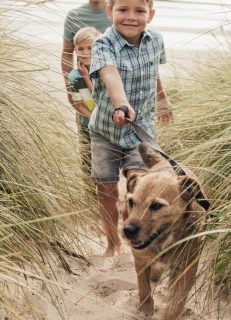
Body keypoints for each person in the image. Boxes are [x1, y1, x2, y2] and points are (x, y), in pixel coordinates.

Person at [88, 0, 173, 257]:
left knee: (139, 189)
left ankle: (138, 234)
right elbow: (110, 75)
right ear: (110, 11)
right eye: (123, 9)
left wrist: (162, 98)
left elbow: (153, 70)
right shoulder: (103, 44)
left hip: (141, 130)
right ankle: (112, 244)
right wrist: (121, 105)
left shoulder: (155, 40)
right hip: (106, 130)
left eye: (140, 11)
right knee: (106, 189)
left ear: (151, 14)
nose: (131, 17)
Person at [68, 27, 102, 178]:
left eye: (90, 48)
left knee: (105, 163)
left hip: (107, 125)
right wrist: (92, 121)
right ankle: (90, 196)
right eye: (80, 48)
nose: (85, 52)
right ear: (75, 51)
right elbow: (79, 105)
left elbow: (100, 97)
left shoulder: (104, 71)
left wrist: (86, 76)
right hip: (87, 125)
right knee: (87, 162)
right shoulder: (75, 76)